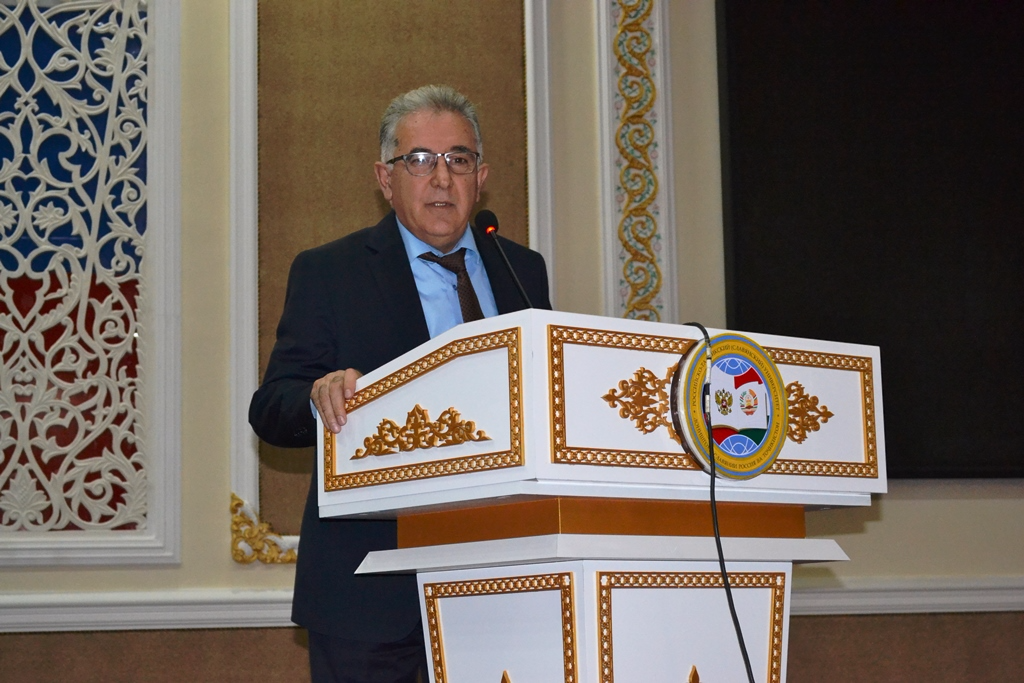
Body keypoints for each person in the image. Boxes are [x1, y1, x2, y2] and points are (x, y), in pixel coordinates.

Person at [249, 85, 551, 683]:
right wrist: (317, 396)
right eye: (419, 160)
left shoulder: (521, 269)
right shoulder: (330, 271)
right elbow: (271, 408)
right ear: (385, 179)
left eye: (458, 159)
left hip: (504, 579)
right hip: (370, 584)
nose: (441, 178)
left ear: (481, 178)